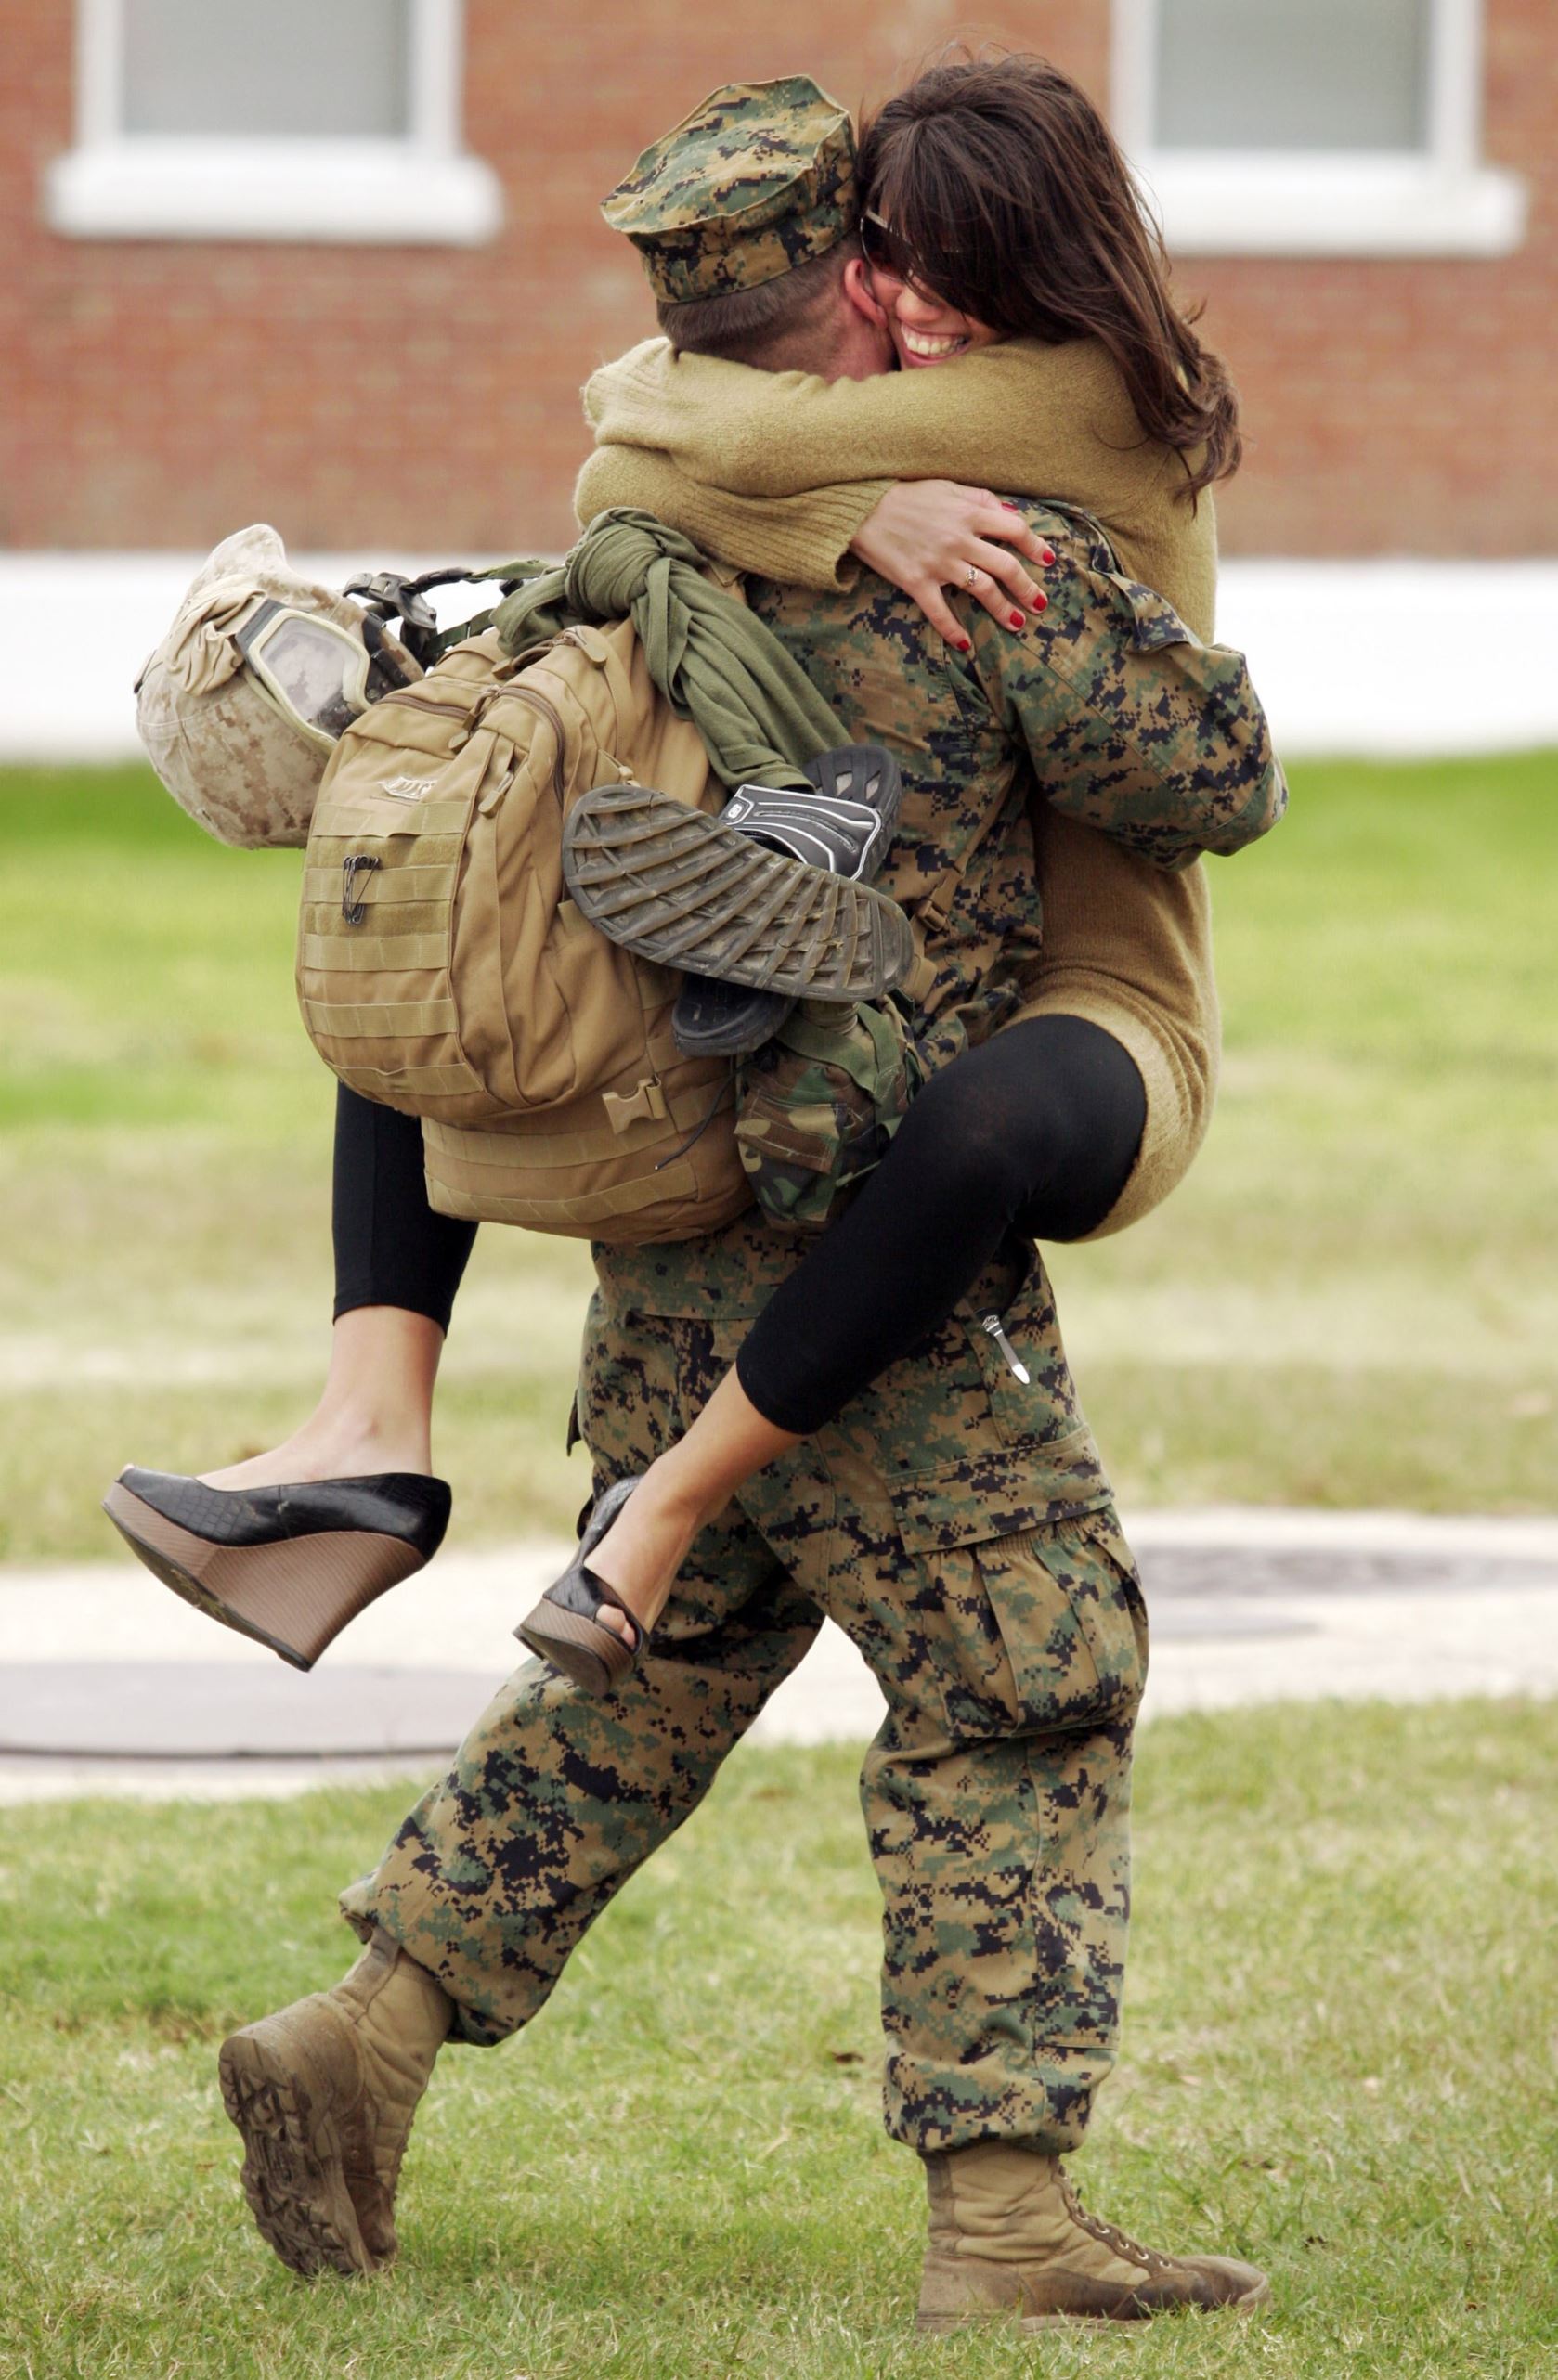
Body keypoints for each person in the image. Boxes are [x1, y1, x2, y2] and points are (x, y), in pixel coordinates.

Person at [207, 77, 1278, 2331]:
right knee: (1024, 1674)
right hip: (870, 1202)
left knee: (662, 1664)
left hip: (665, 1192)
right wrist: (1090, 577)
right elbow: (1207, 780)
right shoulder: (998, 544)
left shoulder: (667, 516)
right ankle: (1000, 2216)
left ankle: (363, 2032)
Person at [111, 53, 1271, 1691]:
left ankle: (664, 1510)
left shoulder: (1094, 401)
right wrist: (844, 511)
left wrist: (822, 492)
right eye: (887, 250)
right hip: (900, 942)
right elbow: (640, 473)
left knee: (981, 1128)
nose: (914, 301)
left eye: (962, 263)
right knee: (457, 902)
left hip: (1104, 1006)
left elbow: (644, 422)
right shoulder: (874, 439)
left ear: (1047, 263)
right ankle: (365, 1425)